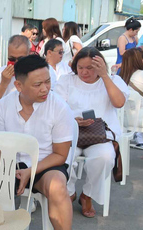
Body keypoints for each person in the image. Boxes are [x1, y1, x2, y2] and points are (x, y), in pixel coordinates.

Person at [0, 55, 76, 230]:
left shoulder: (59, 107)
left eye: (47, 82)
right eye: (37, 84)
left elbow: (60, 154)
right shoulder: (3, 105)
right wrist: (10, 171)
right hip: (9, 163)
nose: (45, 89)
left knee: (57, 187)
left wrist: (31, 171)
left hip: (45, 163)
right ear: (18, 85)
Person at [55, 48, 128, 218]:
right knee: (64, 156)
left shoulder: (112, 80)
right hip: (71, 131)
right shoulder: (66, 81)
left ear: (100, 65)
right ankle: (69, 190)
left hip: (100, 136)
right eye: (80, 67)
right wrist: (74, 118)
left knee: (105, 157)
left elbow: (118, 103)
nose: (84, 72)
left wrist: (104, 76)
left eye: (90, 68)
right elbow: (57, 108)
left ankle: (87, 194)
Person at [0, 35, 30, 100]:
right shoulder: (0, 73)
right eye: (12, 59)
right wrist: (3, 83)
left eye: (21, 59)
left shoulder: (40, 72)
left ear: (29, 55)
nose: (16, 63)